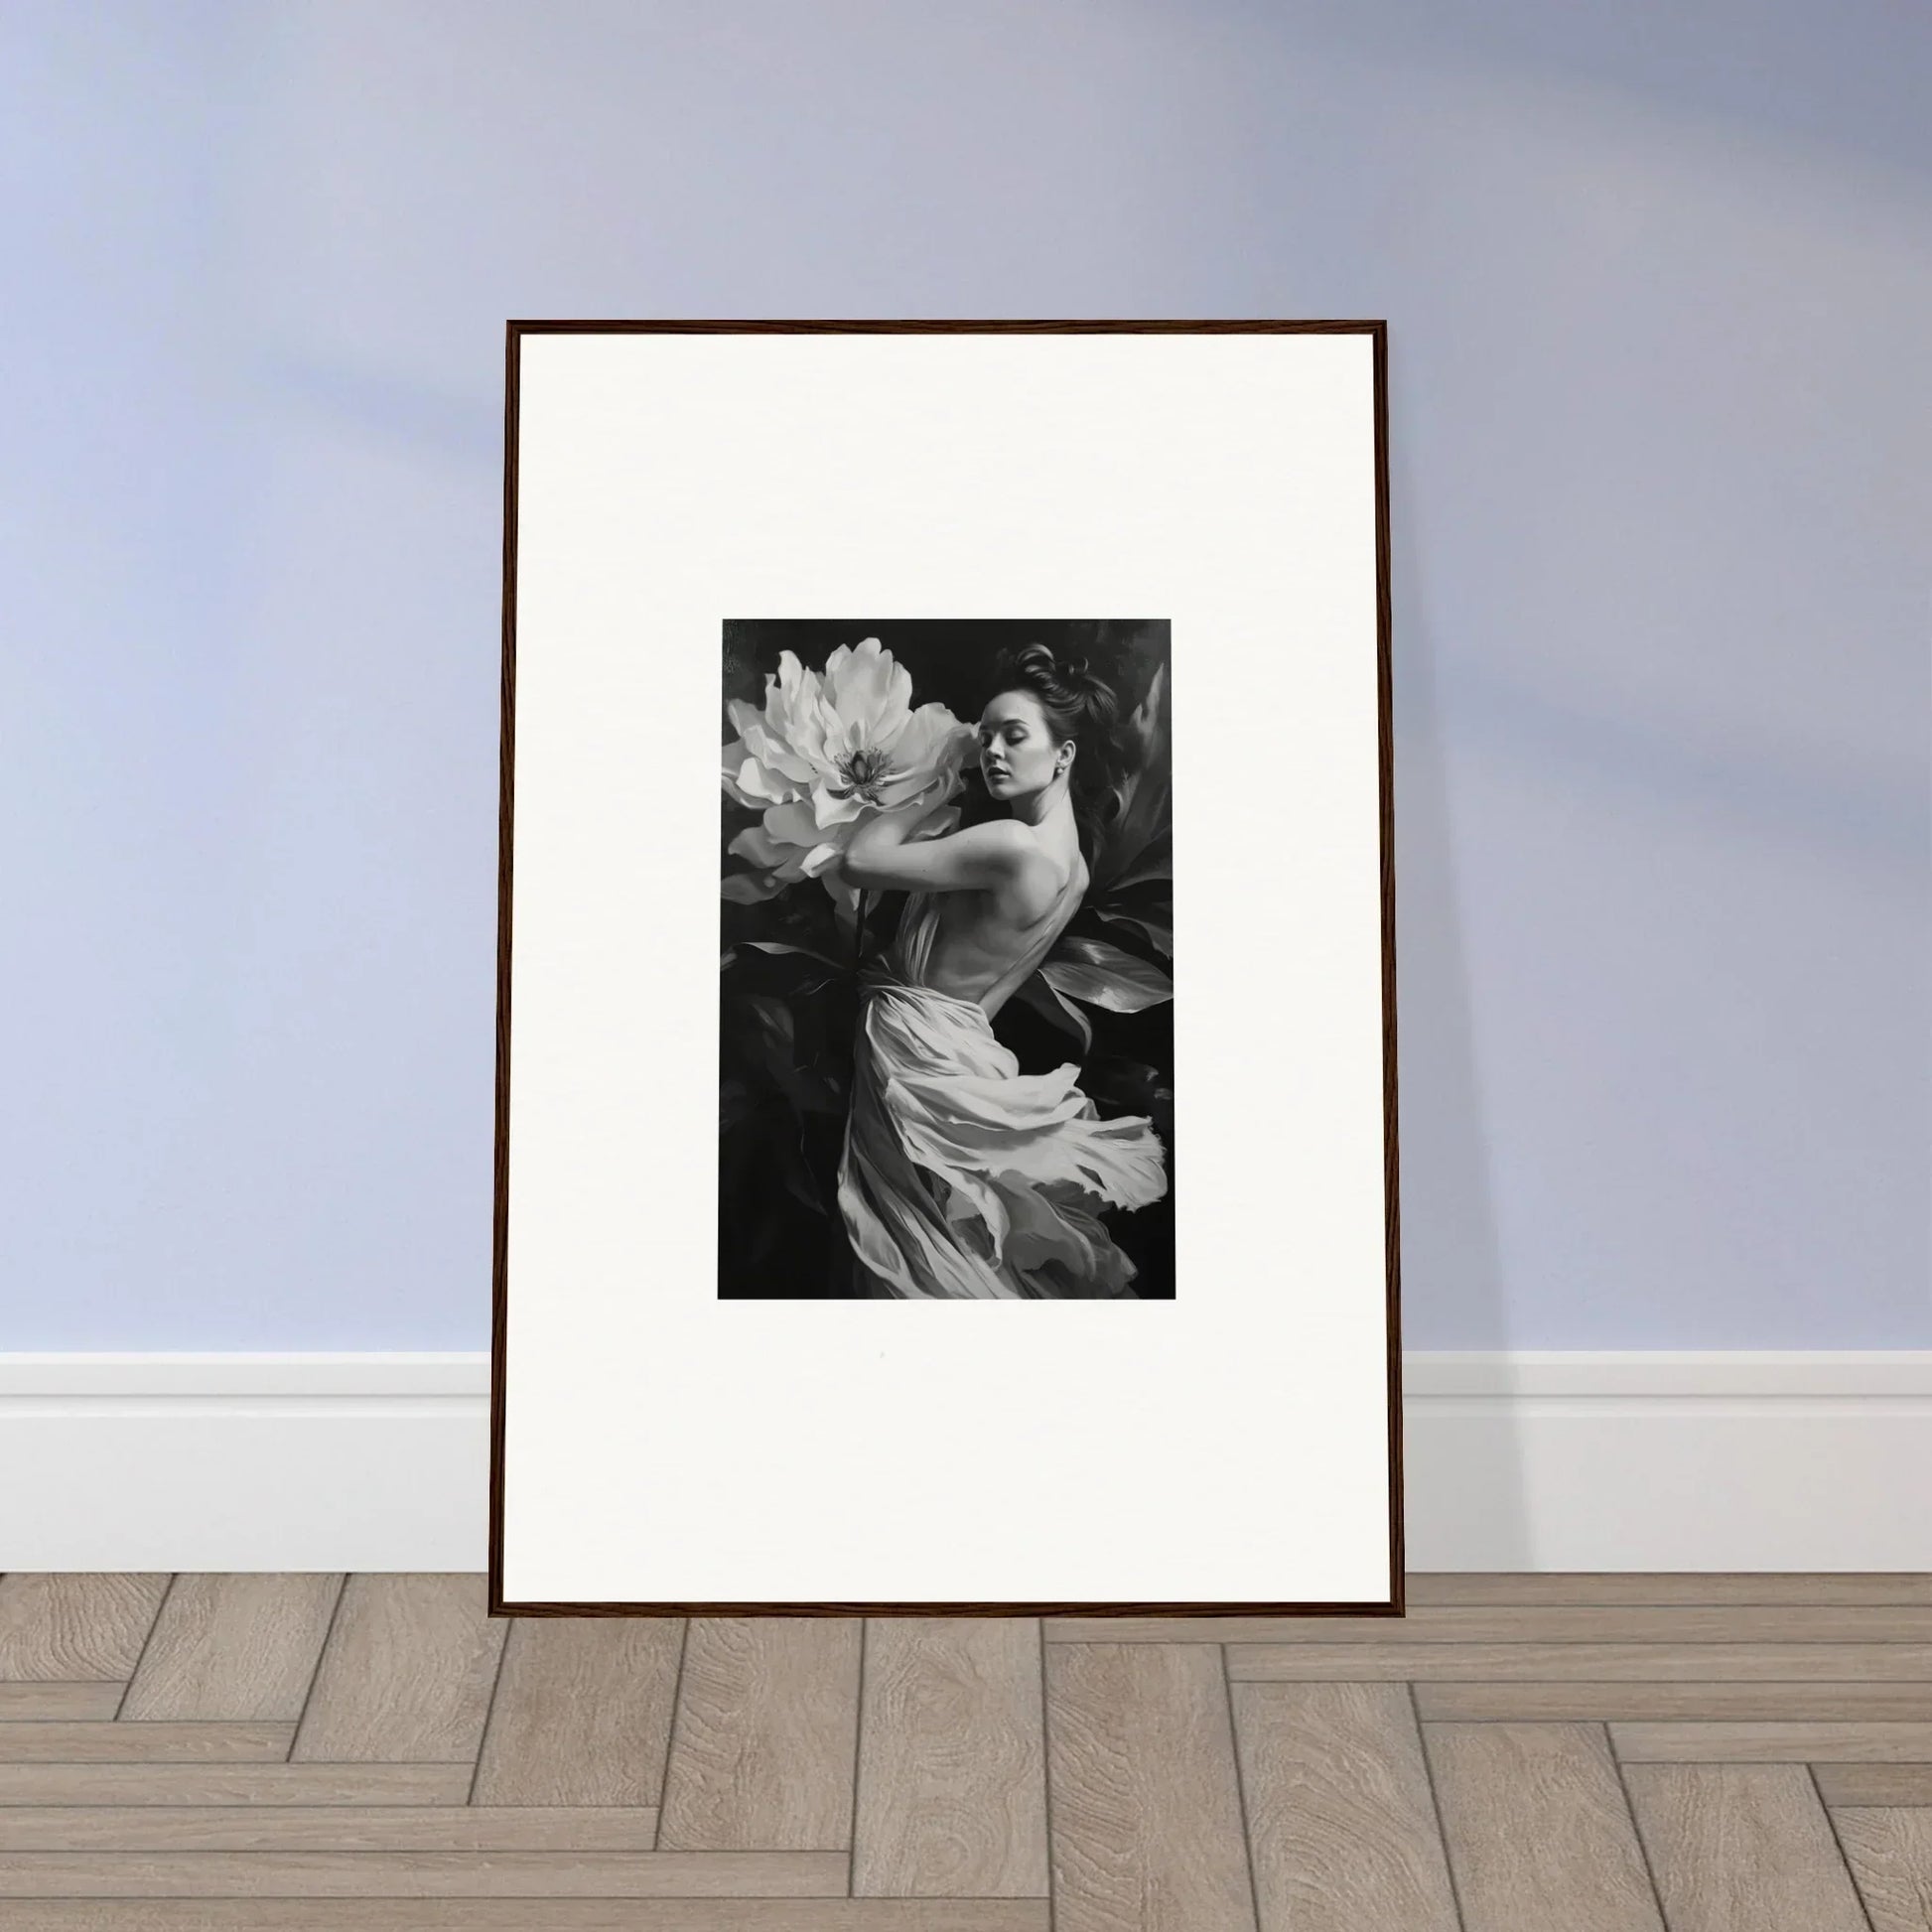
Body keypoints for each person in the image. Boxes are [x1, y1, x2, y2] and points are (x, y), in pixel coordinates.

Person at [833, 643, 1169, 1299]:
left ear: (1063, 755)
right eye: (984, 738)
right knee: (946, 1233)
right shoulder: (1073, 869)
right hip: (957, 1048)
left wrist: (938, 767)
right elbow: (986, 996)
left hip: (912, 1054)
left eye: (1013, 737)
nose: (991, 751)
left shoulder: (1012, 846)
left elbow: (859, 861)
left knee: (917, 1240)